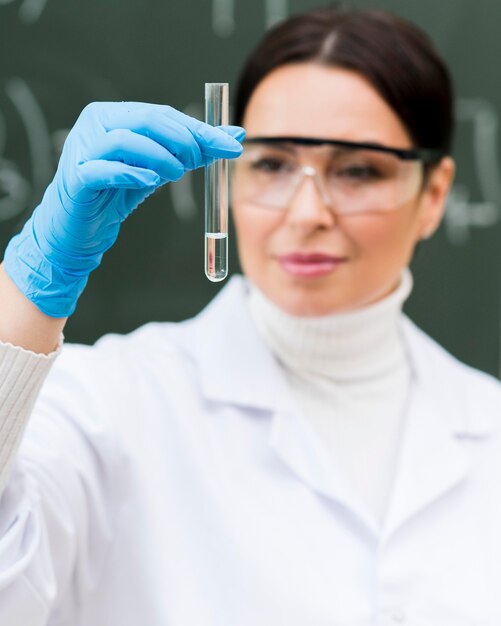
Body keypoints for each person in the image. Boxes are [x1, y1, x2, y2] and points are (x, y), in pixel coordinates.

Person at [0, 5, 500, 625]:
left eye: (358, 170)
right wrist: (25, 294)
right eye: (272, 164)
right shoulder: (110, 402)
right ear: (228, 174)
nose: (308, 212)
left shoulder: (490, 428)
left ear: (433, 195)